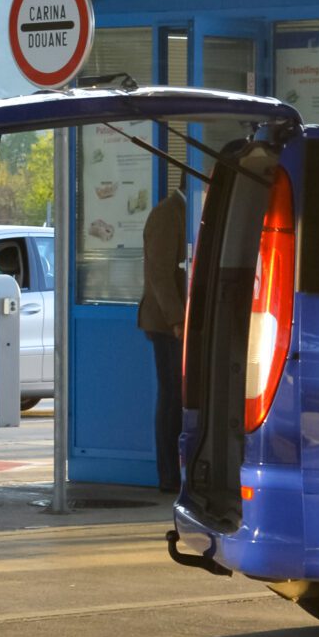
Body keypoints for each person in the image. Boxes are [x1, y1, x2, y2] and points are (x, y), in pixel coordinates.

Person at [136, 189, 188, 494]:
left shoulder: (185, 210)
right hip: (168, 325)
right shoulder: (168, 214)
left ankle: (178, 472)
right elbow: (159, 273)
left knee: (179, 398)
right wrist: (177, 319)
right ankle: (168, 476)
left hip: (178, 322)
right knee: (172, 398)